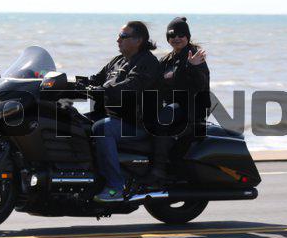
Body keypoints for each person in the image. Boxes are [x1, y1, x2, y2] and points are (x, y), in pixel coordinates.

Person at [88, 21, 160, 202]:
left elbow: (131, 85)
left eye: (123, 36)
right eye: (119, 36)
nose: (118, 40)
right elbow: (95, 79)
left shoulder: (147, 62)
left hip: (136, 124)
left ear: (138, 40)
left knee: (102, 129)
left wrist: (105, 89)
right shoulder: (117, 61)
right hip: (115, 118)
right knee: (76, 123)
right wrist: (66, 84)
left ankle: (115, 187)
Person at [148, 17, 210, 183]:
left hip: (191, 109)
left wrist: (192, 66)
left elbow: (200, 85)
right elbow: (155, 82)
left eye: (181, 34)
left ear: (187, 36)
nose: (176, 38)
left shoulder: (195, 56)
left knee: (163, 119)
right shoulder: (167, 59)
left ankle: (159, 169)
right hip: (173, 106)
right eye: (172, 35)